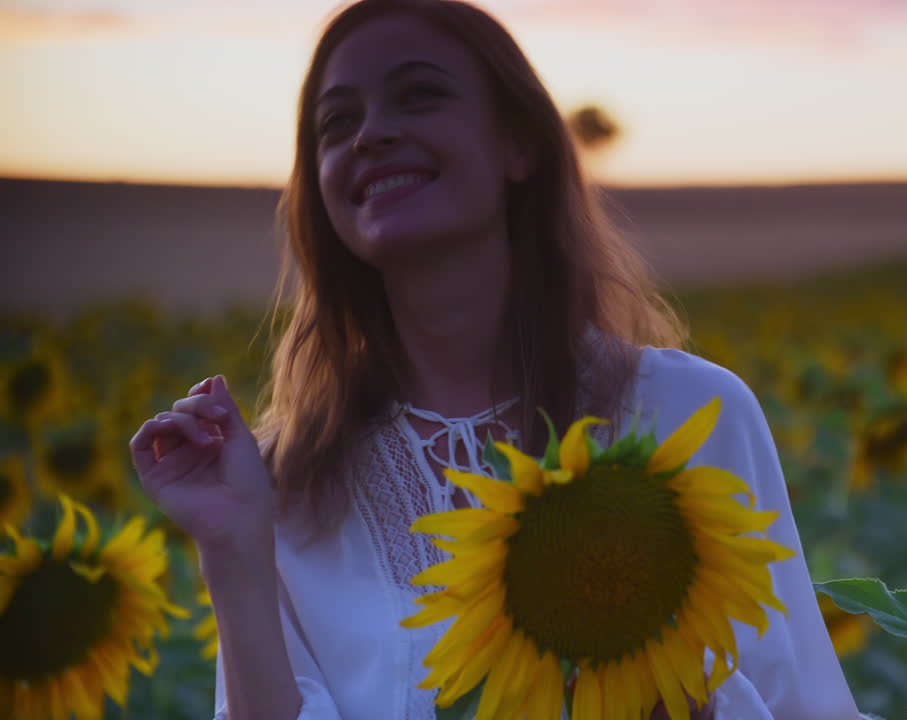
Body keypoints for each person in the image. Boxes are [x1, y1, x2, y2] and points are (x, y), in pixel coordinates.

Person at [128, 1, 861, 718]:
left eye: (419, 96)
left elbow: (803, 702)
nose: (372, 134)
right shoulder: (284, 483)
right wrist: (231, 549)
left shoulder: (688, 412)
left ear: (519, 144)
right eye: (336, 122)